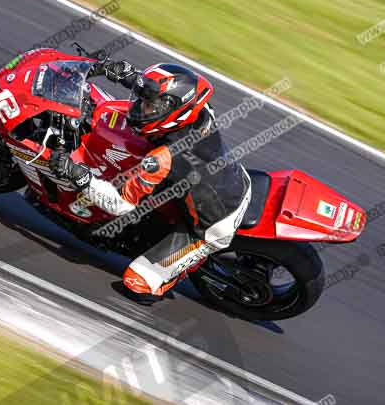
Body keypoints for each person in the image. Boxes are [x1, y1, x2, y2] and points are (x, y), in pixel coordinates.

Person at [51, 60, 251, 304]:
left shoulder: (161, 160)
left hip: (212, 225)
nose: (141, 108)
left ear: (173, 113)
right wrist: (127, 76)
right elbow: (167, 95)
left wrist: (78, 175)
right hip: (227, 180)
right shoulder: (200, 110)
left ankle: (176, 272)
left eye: (149, 106)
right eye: (146, 101)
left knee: (136, 282)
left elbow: (119, 204)